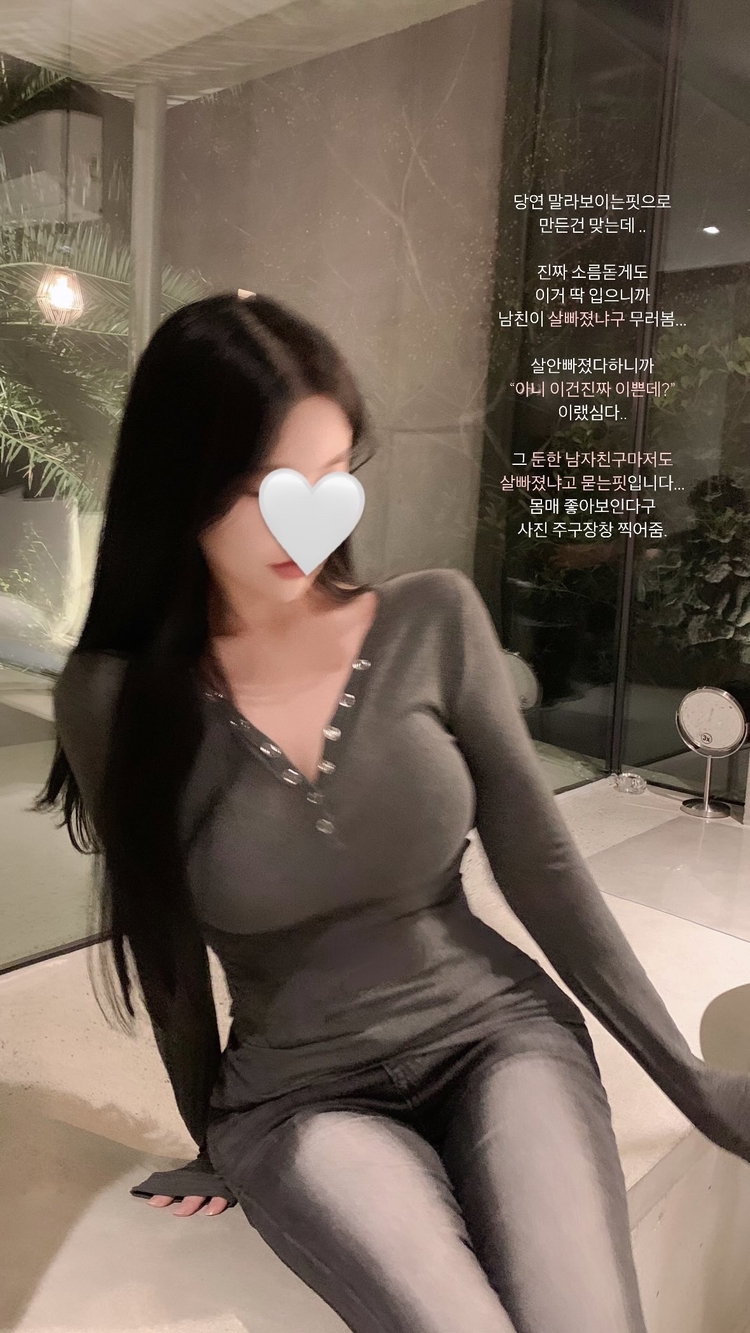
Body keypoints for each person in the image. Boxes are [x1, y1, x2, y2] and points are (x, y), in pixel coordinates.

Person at [39, 293, 750, 1333]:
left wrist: (689, 1079)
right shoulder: (113, 697)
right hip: (297, 1095)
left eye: (330, 476)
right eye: (263, 487)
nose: (302, 518)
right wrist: (208, 1132)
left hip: (499, 1034)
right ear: (181, 483)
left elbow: (545, 869)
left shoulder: (431, 618)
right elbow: (168, 959)